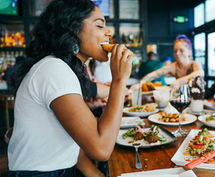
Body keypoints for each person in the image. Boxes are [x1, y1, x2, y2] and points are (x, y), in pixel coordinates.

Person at [7, 0, 132, 176]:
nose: (109, 32)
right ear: (72, 29)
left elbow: (71, 142)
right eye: (99, 26)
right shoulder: (54, 69)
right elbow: (102, 149)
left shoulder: (63, 69)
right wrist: (119, 80)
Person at [133, 34, 204, 88]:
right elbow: (155, 74)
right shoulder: (174, 66)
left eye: (181, 50)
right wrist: (140, 84)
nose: (177, 53)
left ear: (189, 52)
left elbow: (200, 73)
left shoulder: (194, 64)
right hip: (182, 99)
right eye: (175, 51)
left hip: (197, 100)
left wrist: (179, 82)